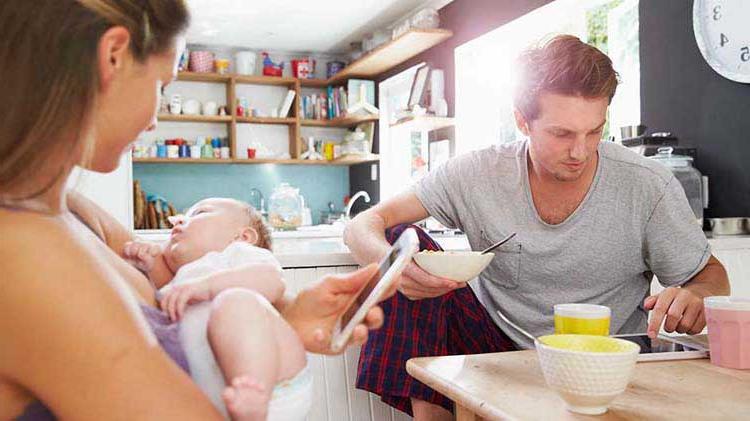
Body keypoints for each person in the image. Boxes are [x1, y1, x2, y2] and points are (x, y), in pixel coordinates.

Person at [0, 1, 386, 419]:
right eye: (161, 85)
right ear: (112, 56)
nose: (153, 122)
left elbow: (180, 327)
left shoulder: (74, 215)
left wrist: (280, 323)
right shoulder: (25, 253)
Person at [344, 34, 730, 420]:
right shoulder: (477, 172)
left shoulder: (648, 184)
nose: (580, 151)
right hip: (494, 343)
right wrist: (388, 267)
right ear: (522, 121)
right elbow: (364, 224)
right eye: (562, 134)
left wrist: (696, 296)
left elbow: (710, 277)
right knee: (400, 245)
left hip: (598, 358)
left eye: (594, 131)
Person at [123, 197, 309, 421]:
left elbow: (273, 281)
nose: (179, 221)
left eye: (199, 213)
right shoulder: (184, 279)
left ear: (243, 236)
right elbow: (163, 300)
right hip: (223, 397)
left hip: (273, 387)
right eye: (181, 218)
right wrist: (148, 265)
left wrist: (209, 287)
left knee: (234, 301)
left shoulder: (238, 255)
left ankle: (252, 396)